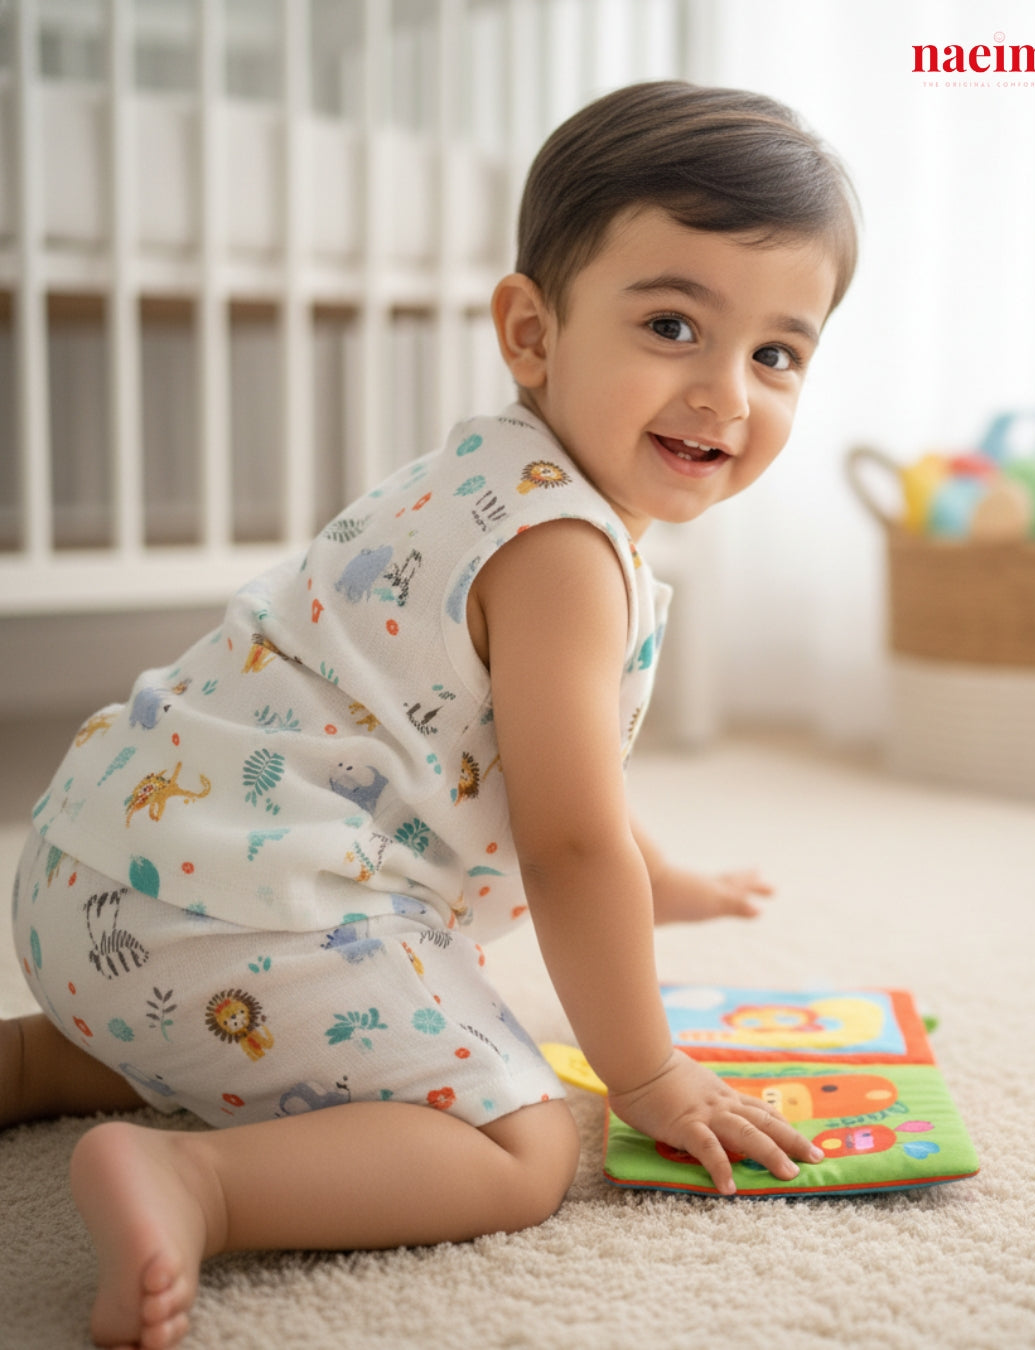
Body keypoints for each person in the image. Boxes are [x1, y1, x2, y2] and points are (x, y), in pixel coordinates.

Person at [2, 80, 858, 1349]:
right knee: (520, 1146)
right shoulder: (566, 554)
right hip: (244, 916)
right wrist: (650, 1075)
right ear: (531, 329)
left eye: (776, 353)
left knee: (225, 1002)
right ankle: (202, 1182)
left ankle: (32, 1062)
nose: (728, 393)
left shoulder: (477, 468)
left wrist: (660, 876)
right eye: (674, 324)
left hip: (89, 881)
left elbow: (546, 781)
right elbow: (568, 843)